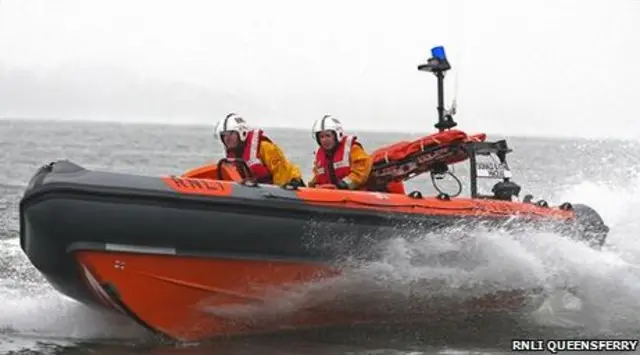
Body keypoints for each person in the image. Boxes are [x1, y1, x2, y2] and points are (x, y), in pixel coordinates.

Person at [213, 113, 305, 187]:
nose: (227, 139)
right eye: (224, 135)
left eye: (231, 134)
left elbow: (281, 174)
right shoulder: (234, 155)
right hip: (260, 191)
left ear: (242, 132)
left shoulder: (264, 147)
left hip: (291, 186)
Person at [308, 115, 373, 190]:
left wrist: (345, 183)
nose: (324, 140)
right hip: (331, 196)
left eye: (328, 136)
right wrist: (309, 186)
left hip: (353, 195)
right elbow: (317, 177)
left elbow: (362, 169)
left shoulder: (352, 148)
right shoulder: (320, 154)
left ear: (337, 135)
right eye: (321, 137)